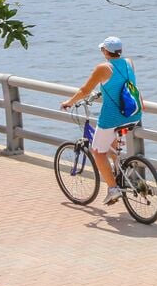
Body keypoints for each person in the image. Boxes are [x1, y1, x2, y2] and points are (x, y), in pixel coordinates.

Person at [60, 36, 143, 206]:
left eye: (102, 49)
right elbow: (121, 85)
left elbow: (84, 90)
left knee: (98, 152)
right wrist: (101, 93)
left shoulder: (103, 68)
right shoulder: (129, 63)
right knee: (111, 146)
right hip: (133, 114)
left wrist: (69, 102)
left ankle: (113, 189)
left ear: (106, 51)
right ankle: (120, 172)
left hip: (112, 117)